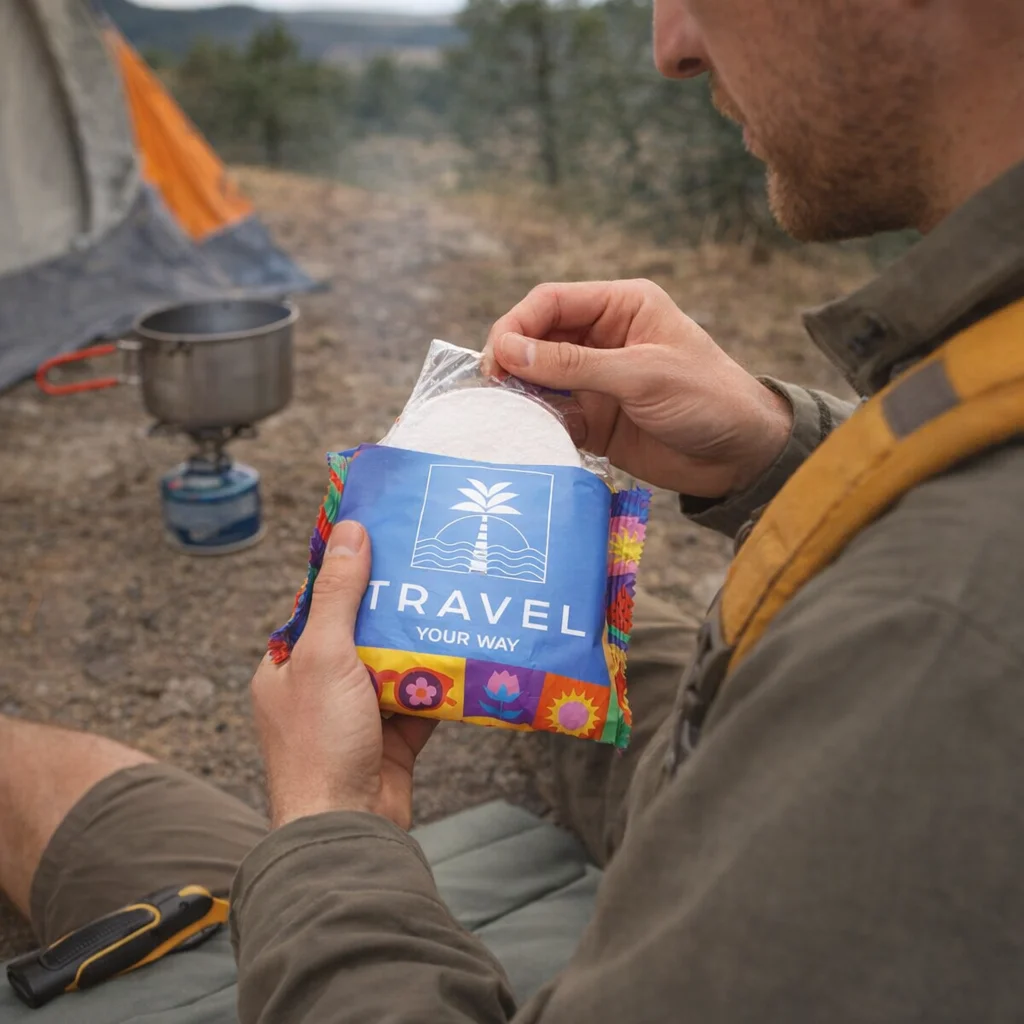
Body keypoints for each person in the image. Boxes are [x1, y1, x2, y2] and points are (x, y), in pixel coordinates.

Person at [4, 0, 1024, 1020]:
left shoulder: (938, 649)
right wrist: (777, 446)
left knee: (63, 784)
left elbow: (943, 610)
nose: (670, 46)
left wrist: (326, 820)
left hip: (683, 855)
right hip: (750, 751)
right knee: (599, 634)